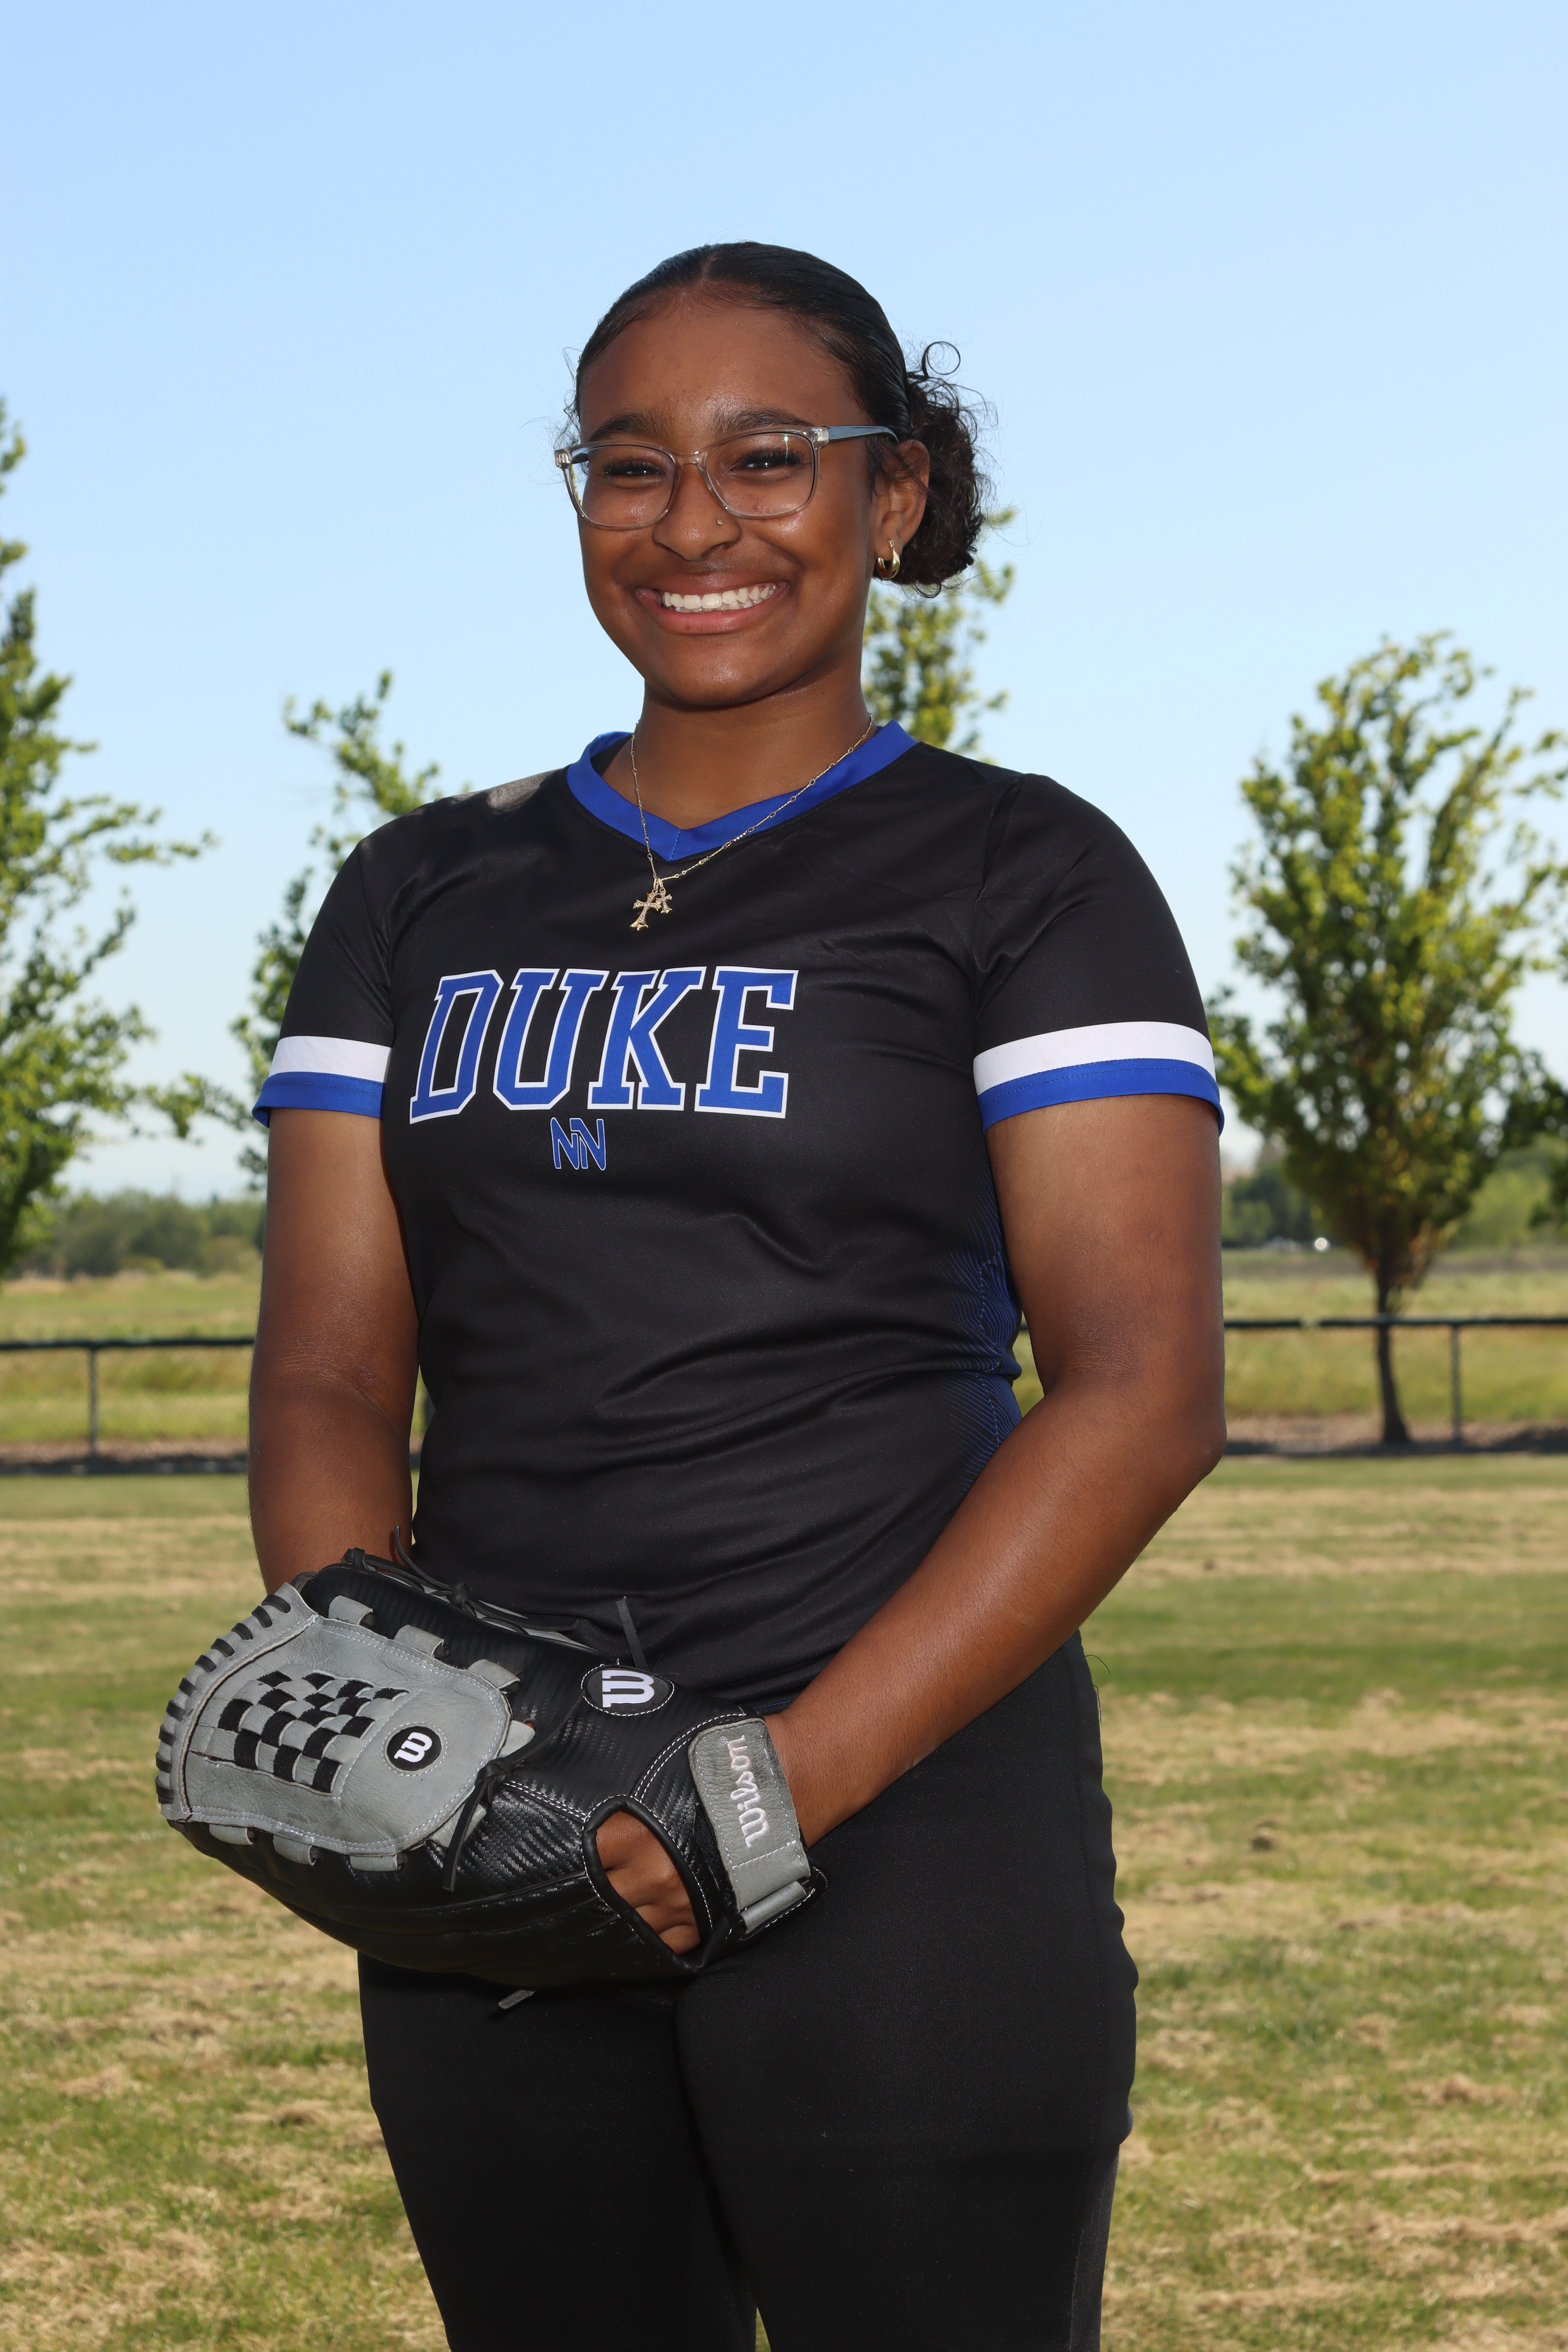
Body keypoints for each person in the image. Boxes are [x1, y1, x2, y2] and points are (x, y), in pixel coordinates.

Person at [248, 242, 1225, 2352]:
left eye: (767, 457)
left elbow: (1141, 1386)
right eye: (630, 465)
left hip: (899, 1808)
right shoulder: (418, 890)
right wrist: (390, 1728)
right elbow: (327, 1362)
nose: (692, 523)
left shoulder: (1024, 872)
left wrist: (778, 1784)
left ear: (893, 492)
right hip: (497, 1816)